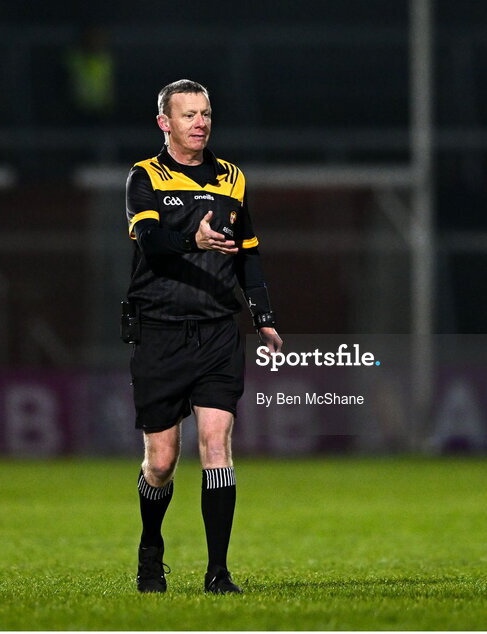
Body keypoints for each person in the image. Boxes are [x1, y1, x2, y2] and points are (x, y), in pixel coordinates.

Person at [124, 79, 283, 594]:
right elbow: (148, 240)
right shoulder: (144, 177)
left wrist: (261, 313)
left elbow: (249, 251)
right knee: (163, 461)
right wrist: (189, 239)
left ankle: (218, 572)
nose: (200, 122)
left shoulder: (232, 177)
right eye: (189, 114)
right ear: (164, 123)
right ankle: (152, 549)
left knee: (217, 443)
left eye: (206, 113)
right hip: (159, 331)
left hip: (217, 329)